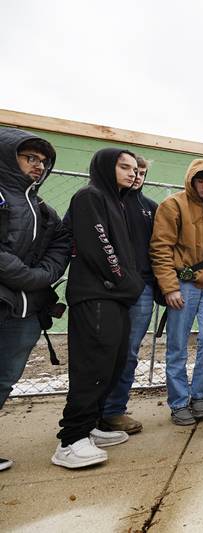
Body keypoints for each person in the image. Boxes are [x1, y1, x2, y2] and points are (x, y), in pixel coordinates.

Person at [53, 148, 145, 469]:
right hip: (95, 295)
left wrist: (126, 284)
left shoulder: (115, 201)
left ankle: (90, 426)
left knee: (112, 362)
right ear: (106, 167)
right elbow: (100, 246)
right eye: (124, 167)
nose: (132, 173)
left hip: (114, 296)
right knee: (91, 366)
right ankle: (71, 440)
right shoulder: (89, 196)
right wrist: (126, 280)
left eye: (135, 169)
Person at [0, 128, 70, 471]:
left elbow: (61, 245)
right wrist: (31, 278)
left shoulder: (43, 209)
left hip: (26, 312)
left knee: (5, 378)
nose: (39, 166)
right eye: (30, 158)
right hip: (6, 301)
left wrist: (44, 276)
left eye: (43, 161)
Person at [150, 160, 203, 425]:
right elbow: (160, 248)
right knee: (177, 344)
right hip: (182, 283)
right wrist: (169, 287)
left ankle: (199, 395)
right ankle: (178, 403)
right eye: (201, 180)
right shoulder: (172, 205)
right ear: (191, 180)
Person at [98, 156, 158, 434]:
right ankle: (90, 410)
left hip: (141, 287)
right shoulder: (101, 200)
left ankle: (113, 411)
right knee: (101, 349)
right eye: (130, 170)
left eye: (141, 172)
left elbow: (160, 248)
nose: (136, 176)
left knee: (129, 352)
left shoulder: (150, 208)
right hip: (105, 287)